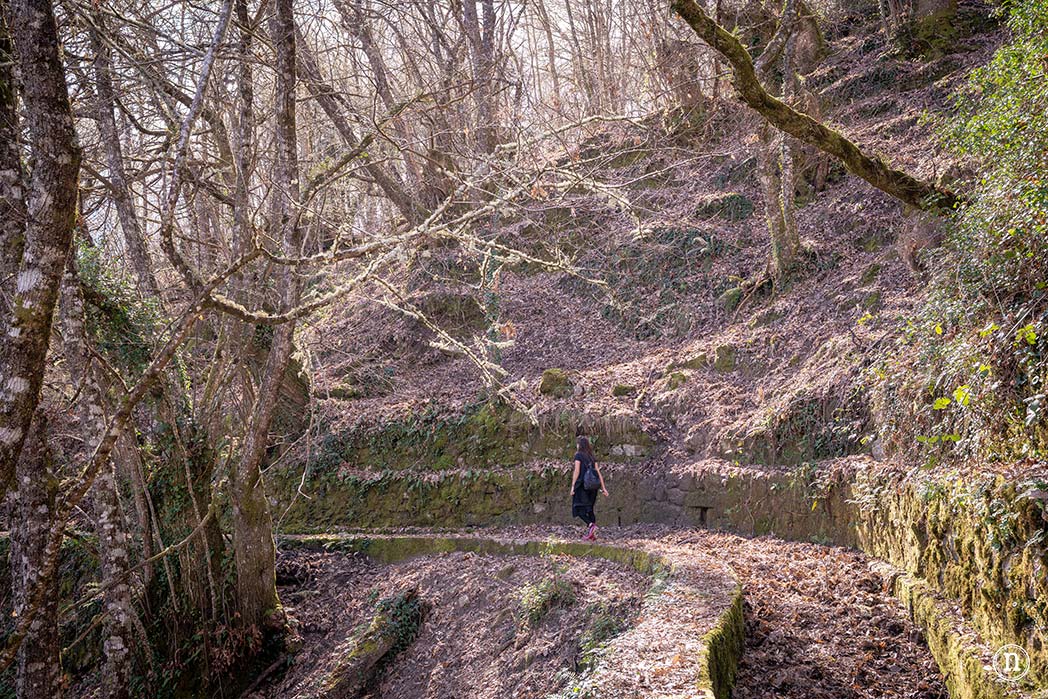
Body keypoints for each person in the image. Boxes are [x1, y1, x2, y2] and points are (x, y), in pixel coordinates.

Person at [570, 436, 608, 540]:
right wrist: (603, 488)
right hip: (593, 487)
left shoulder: (578, 456)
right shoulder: (592, 456)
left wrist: (573, 486)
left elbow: (577, 471)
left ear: (580, 445)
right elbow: (598, 472)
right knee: (590, 509)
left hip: (582, 486)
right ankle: (593, 534)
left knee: (578, 508)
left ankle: (591, 525)